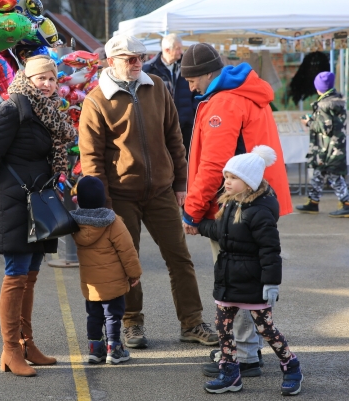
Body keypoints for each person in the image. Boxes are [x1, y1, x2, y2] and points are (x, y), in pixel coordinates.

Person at [80, 34, 218, 350]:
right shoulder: (96, 101)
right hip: (120, 196)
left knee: (180, 258)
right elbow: (91, 160)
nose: (137, 62)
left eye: (140, 56)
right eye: (129, 58)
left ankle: (192, 322)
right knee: (127, 263)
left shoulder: (157, 87)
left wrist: (181, 185)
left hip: (160, 193)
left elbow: (175, 139)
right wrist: (103, 204)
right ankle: (132, 323)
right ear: (111, 61)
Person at [180, 43, 292, 378]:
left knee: (236, 277)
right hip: (256, 201)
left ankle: (243, 356)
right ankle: (247, 349)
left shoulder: (225, 102)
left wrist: (192, 210)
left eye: (192, 78)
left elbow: (215, 164)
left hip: (236, 206)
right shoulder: (244, 92)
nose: (190, 86)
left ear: (207, 73)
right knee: (247, 273)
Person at [0, 55, 76, 377]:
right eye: (41, 79)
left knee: (30, 276)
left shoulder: (47, 113)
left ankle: (27, 343)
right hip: (12, 202)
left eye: (52, 79)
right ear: (27, 80)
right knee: (16, 275)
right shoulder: (10, 110)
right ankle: (10, 350)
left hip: (37, 202)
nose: (48, 85)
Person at [197, 146, 303, 396]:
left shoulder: (260, 211)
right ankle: (230, 372)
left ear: (250, 182)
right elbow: (222, 234)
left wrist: (271, 283)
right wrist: (197, 225)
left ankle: (291, 366)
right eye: (226, 177)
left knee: (266, 329)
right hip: (228, 278)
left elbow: (270, 250)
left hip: (253, 281)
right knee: (223, 327)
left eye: (233, 178)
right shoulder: (231, 204)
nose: (227, 182)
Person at [70, 176, 143, 365]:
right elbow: (127, 250)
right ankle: (114, 349)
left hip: (91, 284)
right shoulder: (113, 221)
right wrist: (134, 273)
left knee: (93, 315)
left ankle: (95, 349)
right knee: (113, 315)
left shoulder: (75, 224)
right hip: (114, 282)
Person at [297, 71, 349, 217]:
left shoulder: (324, 105)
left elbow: (324, 128)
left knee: (334, 175)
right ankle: (313, 202)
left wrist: (309, 122)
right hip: (334, 146)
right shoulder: (337, 101)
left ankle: (346, 203)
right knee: (318, 173)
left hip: (328, 148)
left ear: (318, 88)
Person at [143, 33, 197, 151]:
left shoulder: (187, 67)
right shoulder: (148, 70)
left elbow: (196, 93)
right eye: (178, 48)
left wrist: (192, 115)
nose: (181, 52)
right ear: (167, 50)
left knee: (185, 161)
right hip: (160, 127)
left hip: (185, 127)